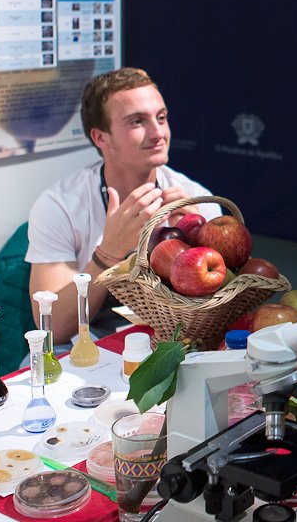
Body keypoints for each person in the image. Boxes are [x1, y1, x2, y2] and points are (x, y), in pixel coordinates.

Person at [26, 67, 222, 346]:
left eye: (161, 118)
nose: (158, 133)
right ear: (101, 138)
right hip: (91, 346)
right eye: (137, 122)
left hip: (174, 340)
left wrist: (195, 241)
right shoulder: (60, 206)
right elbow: (53, 328)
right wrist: (107, 254)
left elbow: (218, 312)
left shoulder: (196, 199)